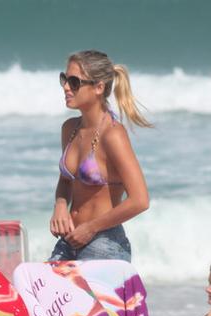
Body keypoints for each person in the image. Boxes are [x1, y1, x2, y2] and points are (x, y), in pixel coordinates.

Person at [49, 50, 151, 263]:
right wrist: (60, 205)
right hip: (70, 240)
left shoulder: (113, 135)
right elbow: (66, 180)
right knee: (38, 291)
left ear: (98, 87)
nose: (66, 87)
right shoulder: (69, 128)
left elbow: (140, 200)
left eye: (74, 82)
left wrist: (91, 228)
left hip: (104, 243)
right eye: (64, 79)